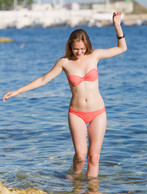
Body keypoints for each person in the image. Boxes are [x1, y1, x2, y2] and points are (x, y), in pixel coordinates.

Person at [3, 12, 127, 179]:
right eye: (76, 49)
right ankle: (75, 178)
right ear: (70, 46)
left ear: (87, 46)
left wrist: (117, 25)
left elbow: (122, 48)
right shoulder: (64, 62)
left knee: (93, 157)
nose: (79, 52)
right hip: (76, 113)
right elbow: (43, 79)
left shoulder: (95, 55)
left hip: (98, 112)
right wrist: (18, 91)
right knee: (81, 155)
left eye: (82, 48)